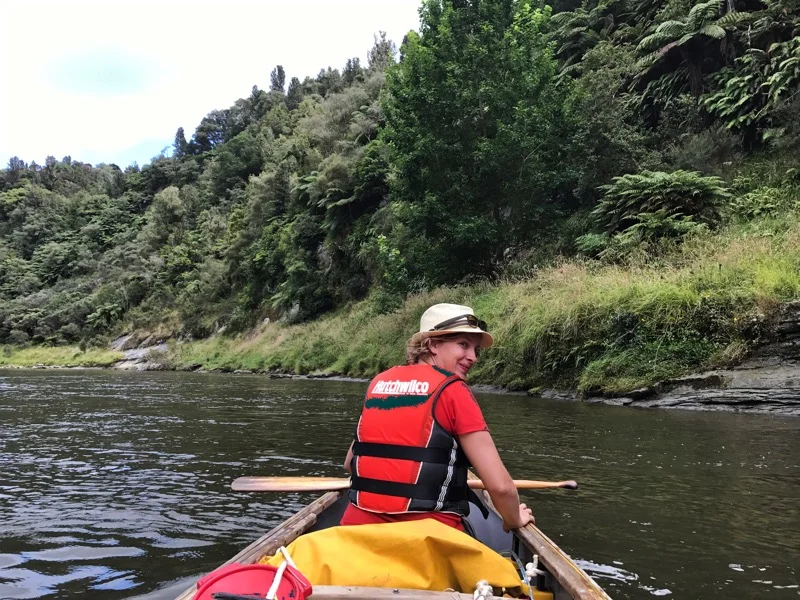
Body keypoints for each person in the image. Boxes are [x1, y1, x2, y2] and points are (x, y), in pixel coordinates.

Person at [340, 303, 534, 533]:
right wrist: (513, 520)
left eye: (475, 349)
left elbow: (350, 464)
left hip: (356, 528)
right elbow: (501, 488)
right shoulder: (452, 389)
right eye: (463, 345)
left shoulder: (379, 383)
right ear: (432, 344)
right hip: (428, 536)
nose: (473, 357)